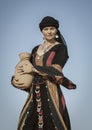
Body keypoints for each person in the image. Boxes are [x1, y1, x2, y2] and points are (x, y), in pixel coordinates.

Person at [11, 16, 76, 130]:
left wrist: (34, 69)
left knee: (54, 123)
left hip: (51, 90)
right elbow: (27, 70)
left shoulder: (61, 48)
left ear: (56, 30)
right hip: (34, 92)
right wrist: (17, 77)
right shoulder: (35, 49)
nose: (49, 31)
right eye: (46, 29)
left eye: (52, 28)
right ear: (41, 31)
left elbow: (56, 70)